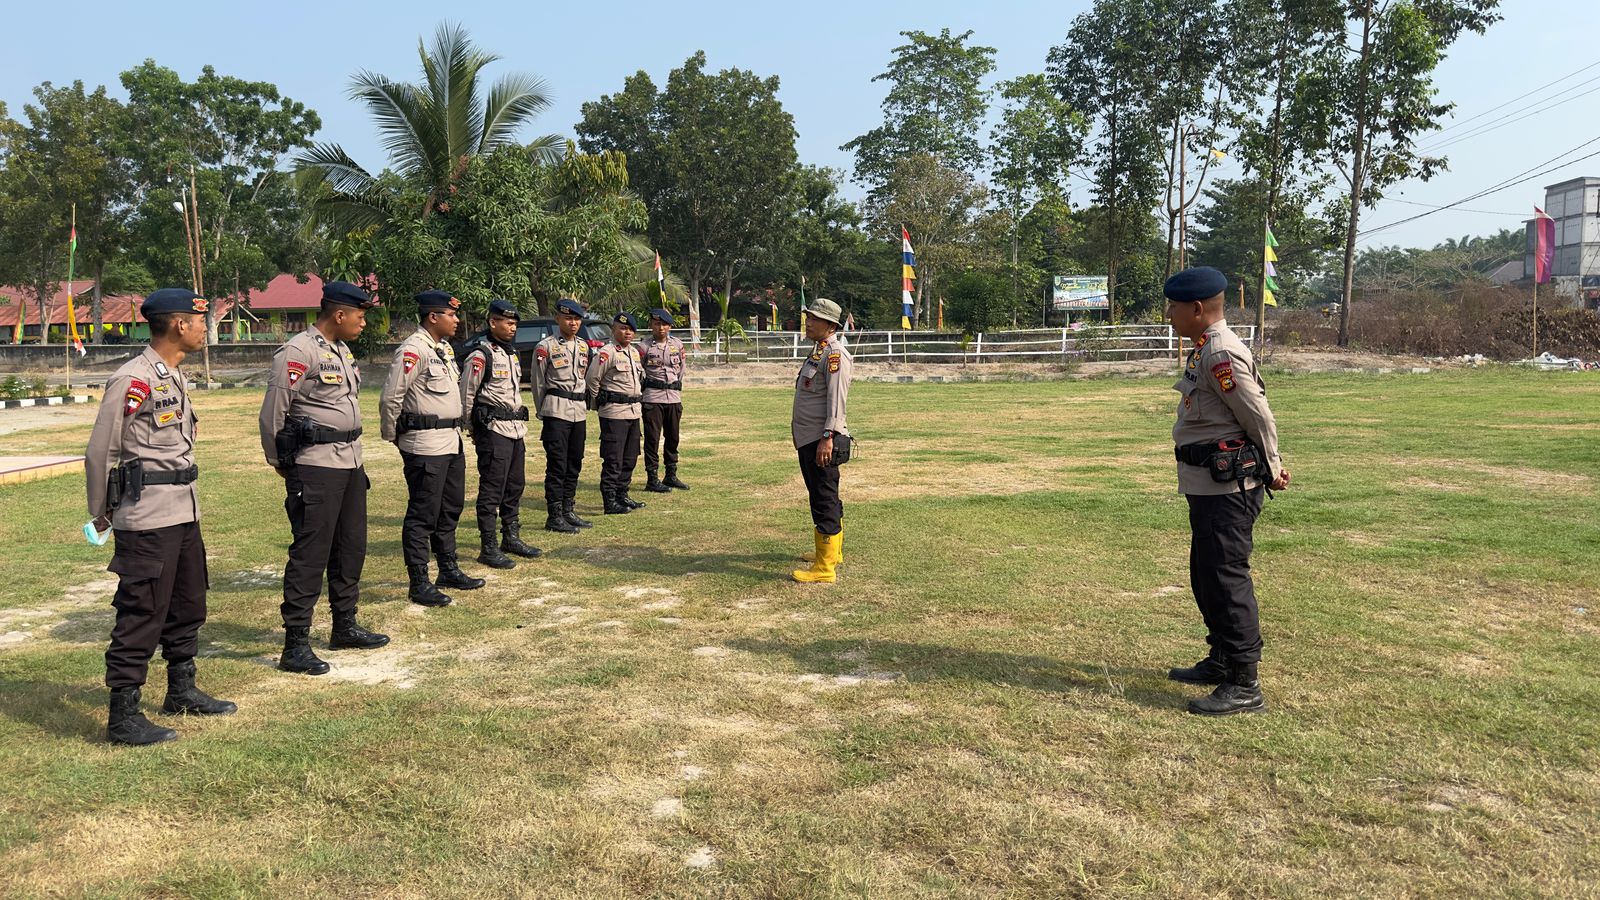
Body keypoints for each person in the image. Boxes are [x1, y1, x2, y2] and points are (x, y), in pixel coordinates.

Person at [86, 288, 235, 744]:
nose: (203, 329)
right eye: (198, 321)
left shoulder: (172, 375)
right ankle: (124, 713)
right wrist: (102, 515)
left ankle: (182, 689)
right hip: (147, 514)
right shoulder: (134, 379)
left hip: (182, 509)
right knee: (142, 610)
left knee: (188, 601)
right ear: (178, 325)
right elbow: (100, 452)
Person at [1165, 266, 1291, 716]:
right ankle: (1221, 657)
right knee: (1205, 574)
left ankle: (1244, 682)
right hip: (1207, 485)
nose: (1170, 315)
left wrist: (1273, 465)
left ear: (1197, 309)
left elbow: (1258, 414)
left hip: (1229, 488)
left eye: (1175, 307)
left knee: (1226, 577)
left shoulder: (1221, 353)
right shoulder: (1205, 349)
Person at [259, 280, 389, 677]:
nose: (363, 323)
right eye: (360, 316)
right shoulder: (299, 351)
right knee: (311, 552)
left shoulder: (341, 351)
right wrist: (282, 462)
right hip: (314, 464)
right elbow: (273, 412)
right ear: (339, 314)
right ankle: (295, 642)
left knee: (351, 546)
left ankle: (344, 625)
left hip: (350, 462)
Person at [380, 290, 485, 608]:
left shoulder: (444, 350)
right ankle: (419, 582)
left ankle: (448, 569)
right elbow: (391, 397)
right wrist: (395, 437)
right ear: (433, 317)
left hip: (450, 443)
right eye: (451, 315)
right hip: (424, 445)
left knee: (450, 508)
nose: (456, 320)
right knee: (423, 514)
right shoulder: (413, 350)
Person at [460, 299, 542, 569]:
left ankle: (511, 537)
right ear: (492, 322)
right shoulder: (481, 355)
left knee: (515, 485)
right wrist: (472, 428)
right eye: (507, 322)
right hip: (493, 431)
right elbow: (467, 395)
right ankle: (489, 546)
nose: (512, 327)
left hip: (515, 430)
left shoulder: (511, 353)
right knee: (492, 489)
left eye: (515, 323)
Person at [790, 298, 852, 584]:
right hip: (809, 436)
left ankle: (825, 568)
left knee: (823, 496)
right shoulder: (819, 352)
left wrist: (828, 437)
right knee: (823, 493)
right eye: (808, 317)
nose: (809, 322)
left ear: (830, 325)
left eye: (815, 318)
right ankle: (831, 551)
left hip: (820, 438)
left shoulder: (836, 355)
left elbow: (836, 402)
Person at [530, 299, 594, 533]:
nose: (573, 322)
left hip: (578, 412)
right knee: (557, 465)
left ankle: (568, 509)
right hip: (556, 410)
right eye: (568, 318)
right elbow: (538, 383)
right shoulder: (545, 347)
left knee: (574, 462)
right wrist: (542, 410)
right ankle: (554, 515)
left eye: (577, 319)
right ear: (558, 319)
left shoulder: (584, 346)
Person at [587, 312, 647, 514]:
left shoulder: (634, 353)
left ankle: (622, 495)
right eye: (623, 328)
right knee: (613, 459)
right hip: (614, 414)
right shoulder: (607, 352)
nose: (627, 332)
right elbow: (592, 380)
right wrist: (600, 404)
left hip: (632, 412)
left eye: (630, 329)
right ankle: (610, 500)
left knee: (630, 457)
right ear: (613, 330)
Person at [639, 308, 689, 493]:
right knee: (652, 439)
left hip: (673, 397)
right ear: (651, 325)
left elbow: (681, 369)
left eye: (664, 324)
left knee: (673, 437)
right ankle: (652, 478)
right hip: (653, 398)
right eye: (657, 323)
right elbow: (639, 372)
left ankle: (671, 474)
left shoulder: (677, 344)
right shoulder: (644, 347)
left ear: (669, 326)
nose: (661, 327)